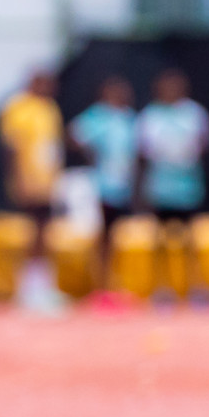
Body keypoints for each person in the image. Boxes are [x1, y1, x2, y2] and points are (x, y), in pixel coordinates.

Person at [136, 69, 209, 307]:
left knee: (190, 240)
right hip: (159, 187)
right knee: (159, 241)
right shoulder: (150, 116)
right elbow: (143, 154)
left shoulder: (195, 113)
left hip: (187, 187)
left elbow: (203, 146)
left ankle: (195, 287)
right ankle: (162, 288)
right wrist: (142, 189)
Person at [0, 70, 68, 314]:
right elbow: (12, 147)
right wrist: (18, 179)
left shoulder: (49, 108)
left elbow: (52, 147)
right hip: (29, 180)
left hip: (47, 181)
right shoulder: (18, 108)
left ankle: (41, 286)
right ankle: (29, 288)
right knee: (34, 231)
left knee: (45, 232)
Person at [68, 75, 138, 308]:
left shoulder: (128, 118)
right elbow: (74, 135)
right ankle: (100, 287)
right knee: (102, 238)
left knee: (115, 237)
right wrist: (91, 155)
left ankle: (112, 286)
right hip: (100, 186)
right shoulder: (98, 116)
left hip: (122, 187)